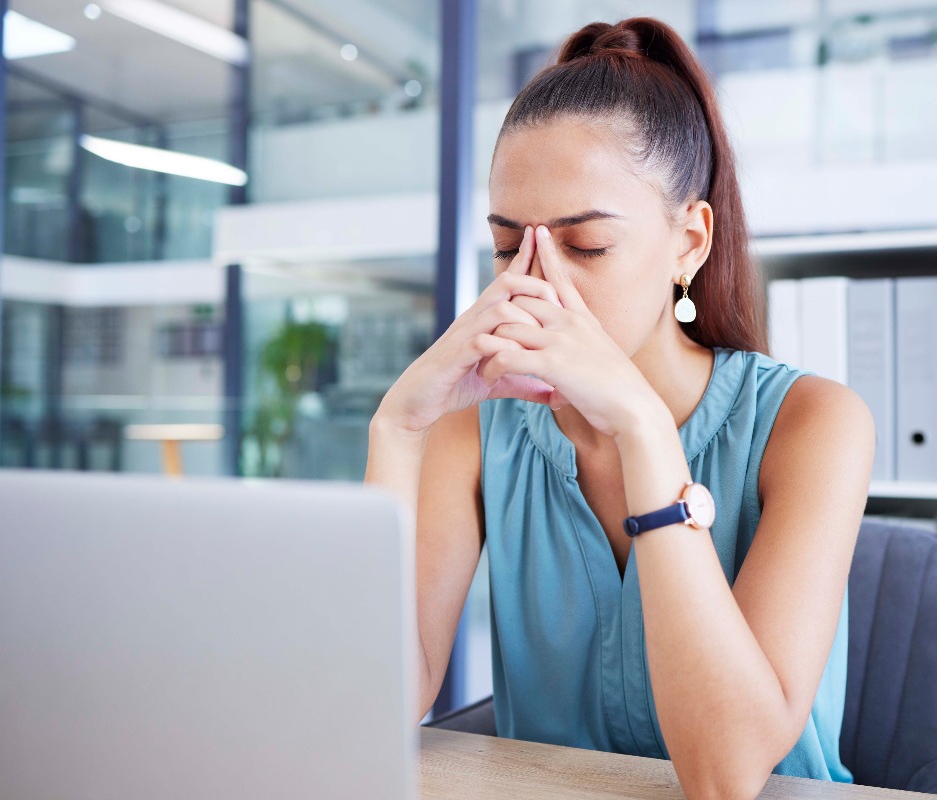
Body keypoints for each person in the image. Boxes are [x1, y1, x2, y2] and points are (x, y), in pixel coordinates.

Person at [365, 16, 873, 800]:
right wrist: (398, 430)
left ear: (689, 244)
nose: (537, 285)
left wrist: (642, 430)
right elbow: (376, 706)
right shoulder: (478, 428)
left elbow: (725, 776)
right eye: (509, 247)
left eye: (588, 246)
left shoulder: (815, 424)